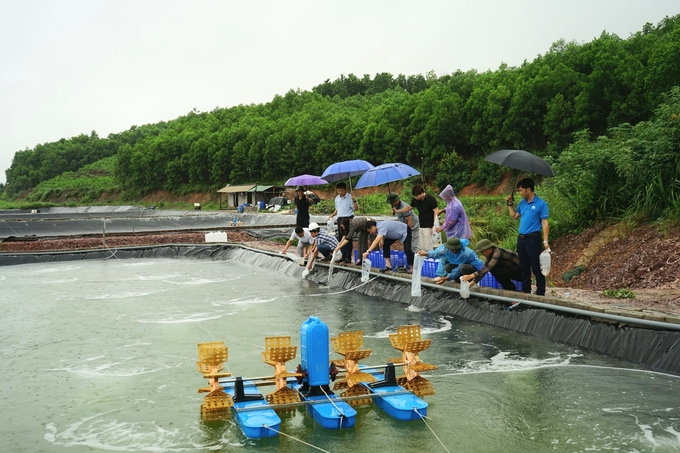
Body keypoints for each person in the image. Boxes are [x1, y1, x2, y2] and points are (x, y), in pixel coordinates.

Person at [506, 178, 550, 296]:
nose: (520, 193)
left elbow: (544, 222)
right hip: (522, 238)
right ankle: (526, 290)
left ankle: (540, 291)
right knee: (524, 266)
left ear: (528, 189)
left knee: (536, 265)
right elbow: (514, 216)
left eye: (521, 191)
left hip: (533, 238)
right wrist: (510, 204)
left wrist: (545, 240)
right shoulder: (523, 203)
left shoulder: (540, 204)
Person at [418, 237, 483, 285]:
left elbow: (458, 269)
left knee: (463, 268)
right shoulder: (447, 248)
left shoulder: (466, 254)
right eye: (450, 249)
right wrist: (426, 254)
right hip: (460, 267)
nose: (451, 250)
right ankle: (459, 281)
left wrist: (447, 278)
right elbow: (437, 253)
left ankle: (471, 281)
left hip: (471, 268)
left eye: (453, 249)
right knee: (448, 267)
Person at [399, 185, 439, 251]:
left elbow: (436, 211)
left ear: (422, 193)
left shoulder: (431, 199)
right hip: (421, 225)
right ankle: (423, 260)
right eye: (414, 196)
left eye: (417, 196)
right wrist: (398, 211)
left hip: (429, 225)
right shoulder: (416, 200)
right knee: (422, 247)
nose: (415, 197)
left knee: (428, 247)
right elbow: (409, 208)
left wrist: (434, 225)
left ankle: (430, 260)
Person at [327, 182, 358, 263]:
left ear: (345, 190)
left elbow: (356, 209)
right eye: (338, 191)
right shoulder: (337, 198)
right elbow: (337, 210)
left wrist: (354, 200)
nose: (340, 192)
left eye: (341, 191)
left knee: (348, 238)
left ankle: (348, 257)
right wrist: (332, 215)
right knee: (341, 237)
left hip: (348, 218)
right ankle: (343, 255)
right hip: (340, 219)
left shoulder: (350, 197)